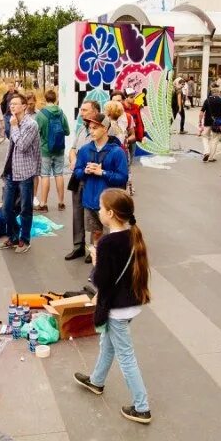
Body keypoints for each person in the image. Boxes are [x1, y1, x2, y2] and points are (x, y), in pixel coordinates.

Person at [73, 188, 152, 424]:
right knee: (107, 343)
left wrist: (96, 262)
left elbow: (102, 280)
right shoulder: (133, 235)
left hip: (116, 308)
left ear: (109, 213)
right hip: (130, 303)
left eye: (100, 207)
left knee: (126, 356)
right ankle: (96, 381)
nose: (98, 211)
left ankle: (142, 406)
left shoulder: (107, 242)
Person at [65, 100, 115, 262]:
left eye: (85, 110)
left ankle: (94, 250)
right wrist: (73, 160)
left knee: (97, 215)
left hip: (96, 180)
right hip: (80, 176)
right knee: (78, 213)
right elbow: (73, 149)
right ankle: (78, 246)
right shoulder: (81, 129)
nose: (81, 113)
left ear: (95, 112)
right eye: (81, 110)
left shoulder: (108, 130)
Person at [73, 114, 129, 260]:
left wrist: (102, 172)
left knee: (111, 233)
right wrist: (84, 171)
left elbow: (123, 177)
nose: (91, 131)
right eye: (90, 128)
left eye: (95, 128)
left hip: (109, 204)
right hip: (90, 201)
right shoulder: (85, 150)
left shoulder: (117, 151)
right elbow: (77, 172)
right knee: (96, 232)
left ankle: (110, 262)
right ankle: (97, 260)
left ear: (105, 129)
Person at [0, 94, 40, 253]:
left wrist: (14, 127)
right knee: (6, 209)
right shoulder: (13, 122)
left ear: (24, 106)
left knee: (25, 209)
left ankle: (25, 239)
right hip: (10, 171)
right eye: (11, 104)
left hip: (25, 172)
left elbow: (22, 145)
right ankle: (13, 236)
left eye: (15, 104)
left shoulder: (31, 124)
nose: (12, 107)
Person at [34, 89, 69, 212]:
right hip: (59, 149)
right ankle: (61, 203)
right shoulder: (61, 113)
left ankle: (43, 204)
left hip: (45, 149)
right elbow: (67, 131)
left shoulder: (41, 114)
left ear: (45, 98)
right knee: (59, 174)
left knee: (45, 175)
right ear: (55, 99)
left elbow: (35, 133)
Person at [199, 85, 221, 163]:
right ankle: (211, 157)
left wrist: (200, 121)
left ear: (211, 93)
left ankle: (206, 151)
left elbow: (201, 112)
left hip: (207, 122)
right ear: (218, 93)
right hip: (217, 123)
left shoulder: (207, 100)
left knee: (205, 137)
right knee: (215, 139)